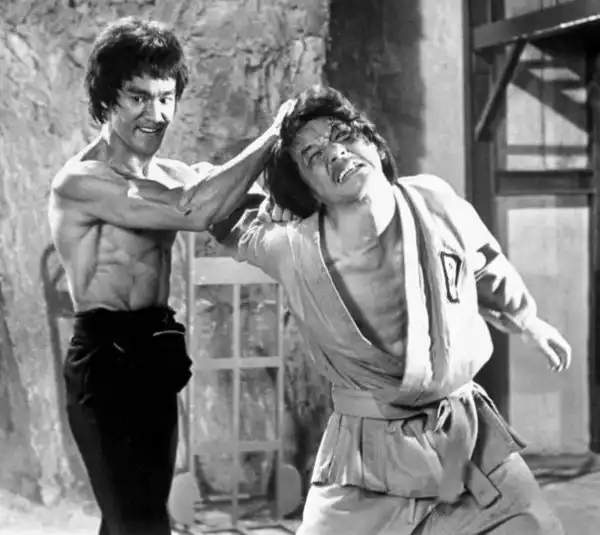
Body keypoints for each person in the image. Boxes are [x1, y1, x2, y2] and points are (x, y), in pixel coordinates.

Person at [185, 85, 571, 534]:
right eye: (313, 156)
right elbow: (206, 208)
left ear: (372, 143)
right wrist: (274, 136)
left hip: (459, 443)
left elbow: (483, 266)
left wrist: (527, 319)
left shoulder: (434, 201)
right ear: (308, 188)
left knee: (531, 527)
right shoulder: (292, 248)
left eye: (342, 135)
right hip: (366, 462)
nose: (336, 153)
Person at [48, 16, 292, 535]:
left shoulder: (173, 175)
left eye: (165, 98)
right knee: (136, 521)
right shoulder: (80, 180)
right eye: (138, 98)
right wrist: (275, 135)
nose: (155, 114)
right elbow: (193, 209)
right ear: (107, 99)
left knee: (140, 516)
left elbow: (229, 208)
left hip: (156, 348)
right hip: (104, 358)